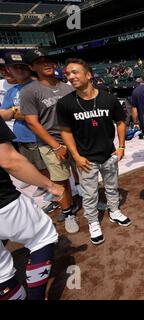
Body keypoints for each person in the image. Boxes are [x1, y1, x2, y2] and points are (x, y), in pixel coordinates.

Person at [57, 58, 131, 245]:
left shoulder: (108, 98)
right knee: (89, 194)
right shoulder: (65, 103)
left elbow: (121, 122)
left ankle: (114, 211)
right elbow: (65, 132)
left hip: (109, 154)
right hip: (85, 158)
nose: (71, 76)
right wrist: (76, 156)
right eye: (67, 74)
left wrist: (121, 146)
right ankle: (93, 222)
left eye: (75, 72)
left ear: (88, 75)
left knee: (112, 187)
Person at [0, 117, 64, 300]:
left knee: (1, 273)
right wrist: (50, 185)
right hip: (4, 204)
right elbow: (9, 160)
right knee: (42, 238)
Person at [20, 49, 79, 234]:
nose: (46, 64)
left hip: (74, 139)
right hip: (51, 143)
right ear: (32, 67)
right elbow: (32, 122)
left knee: (84, 173)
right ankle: (68, 213)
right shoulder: (29, 91)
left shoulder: (67, 87)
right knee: (61, 181)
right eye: (40, 61)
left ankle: (89, 200)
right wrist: (56, 145)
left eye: (48, 60)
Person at [0, 52, 52, 199]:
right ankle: (44, 185)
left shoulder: (39, 86)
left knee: (46, 166)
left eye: (22, 66)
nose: (20, 70)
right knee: (33, 165)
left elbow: (39, 112)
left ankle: (52, 189)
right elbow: (3, 115)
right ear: (9, 70)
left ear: (29, 67)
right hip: (21, 137)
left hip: (38, 135)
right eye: (15, 67)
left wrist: (14, 112)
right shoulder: (11, 91)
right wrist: (17, 110)